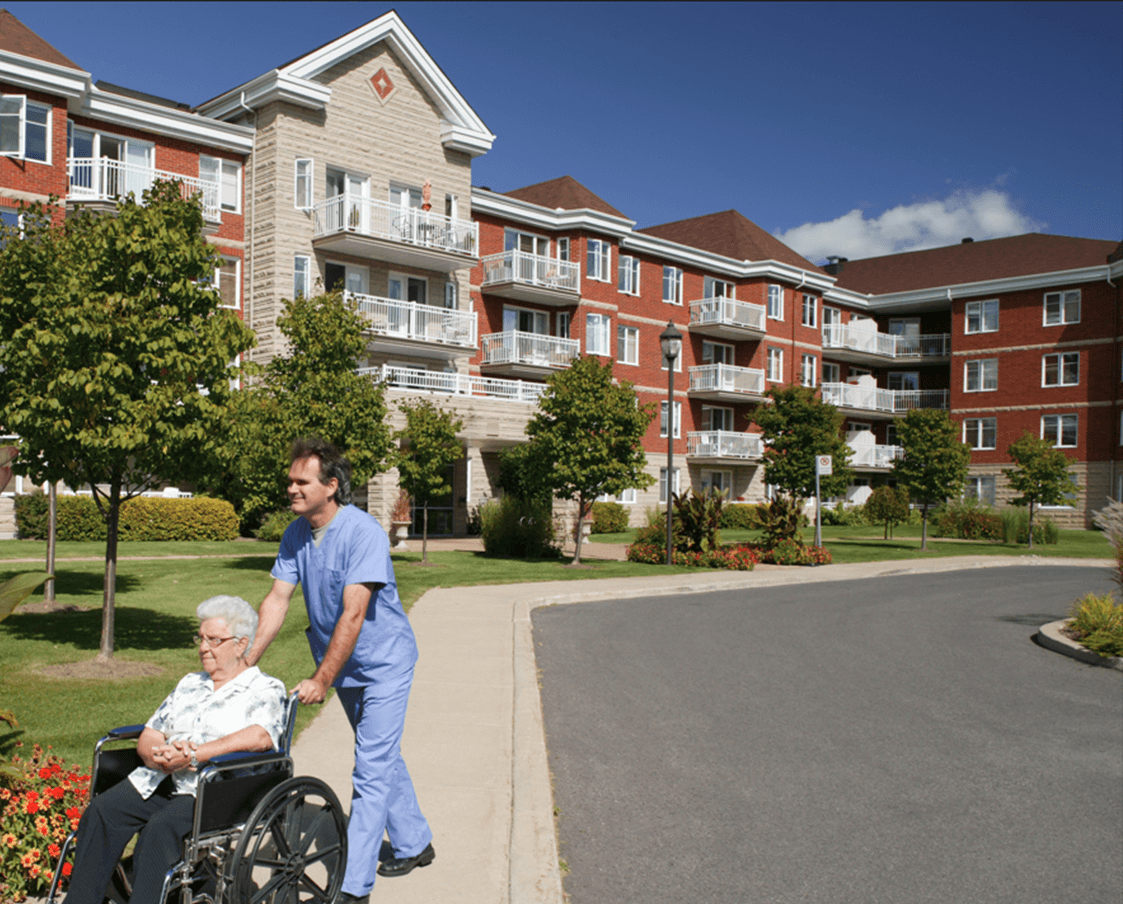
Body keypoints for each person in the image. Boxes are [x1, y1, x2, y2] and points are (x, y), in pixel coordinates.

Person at [247, 438, 433, 904]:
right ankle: (415, 843)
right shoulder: (296, 533)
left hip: (384, 662)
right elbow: (276, 600)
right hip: (343, 666)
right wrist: (245, 662)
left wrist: (322, 679)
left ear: (331, 486)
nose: (291, 488)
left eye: (301, 481)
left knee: (369, 769)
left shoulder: (363, 531)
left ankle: (353, 886)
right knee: (381, 753)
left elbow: (353, 613)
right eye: (290, 480)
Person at [66, 595, 286, 904]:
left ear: (241, 644)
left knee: (160, 831)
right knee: (104, 812)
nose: (203, 647)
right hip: (161, 778)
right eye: (201, 638)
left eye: (214, 640)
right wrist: (158, 756)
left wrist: (197, 753)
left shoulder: (263, 688)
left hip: (214, 790)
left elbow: (260, 736)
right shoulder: (189, 683)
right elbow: (152, 732)